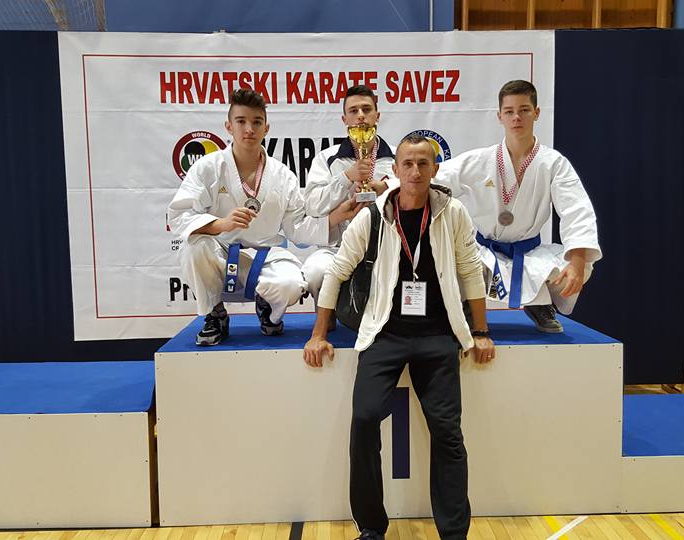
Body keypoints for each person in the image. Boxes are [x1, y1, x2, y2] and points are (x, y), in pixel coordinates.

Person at [304, 135, 496, 540]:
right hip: (385, 334)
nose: (415, 171)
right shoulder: (373, 216)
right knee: (364, 419)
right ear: (395, 170)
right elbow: (337, 273)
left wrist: (480, 332)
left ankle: (454, 533)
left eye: (423, 164)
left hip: (438, 336)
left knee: (447, 431)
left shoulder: (453, 213)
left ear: (435, 169)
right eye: (407, 163)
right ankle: (372, 528)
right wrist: (319, 335)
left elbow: (470, 270)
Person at [168, 89, 359, 346]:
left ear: (266, 128)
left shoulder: (283, 175)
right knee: (194, 246)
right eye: (241, 121)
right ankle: (215, 314)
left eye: (257, 122)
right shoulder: (208, 167)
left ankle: (268, 308)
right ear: (228, 126)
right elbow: (179, 214)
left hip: (265, 256)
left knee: (291, 284)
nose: (249, 129)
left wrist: (335, 217)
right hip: (220, 252)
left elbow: (296, 227)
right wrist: (219, 224)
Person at [435, 80, 601, 333]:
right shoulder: (481, 159)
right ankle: (469, 304)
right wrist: (388, 185)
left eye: (524, 110)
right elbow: (434, 179)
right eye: (509, 111)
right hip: (483, 251)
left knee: (577, 263)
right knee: (450, 258)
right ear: (499, 116)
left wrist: (577, 261)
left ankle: (540, 302)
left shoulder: (553, 163)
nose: (516, 117)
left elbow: (576, 209)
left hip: (529, 252)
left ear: (536, 113)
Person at [302, 84, 398, 307]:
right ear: (344, 119)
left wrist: (386, 188)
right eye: (353, 111)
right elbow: (312, 205)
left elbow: (417, 191)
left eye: (367, 109)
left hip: (386, 245)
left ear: (377, 115)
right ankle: (327, 316)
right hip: (338, 247)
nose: (360, 116)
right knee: (315, 271)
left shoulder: (398, 156)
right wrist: (346, 178)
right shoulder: (327, 158)